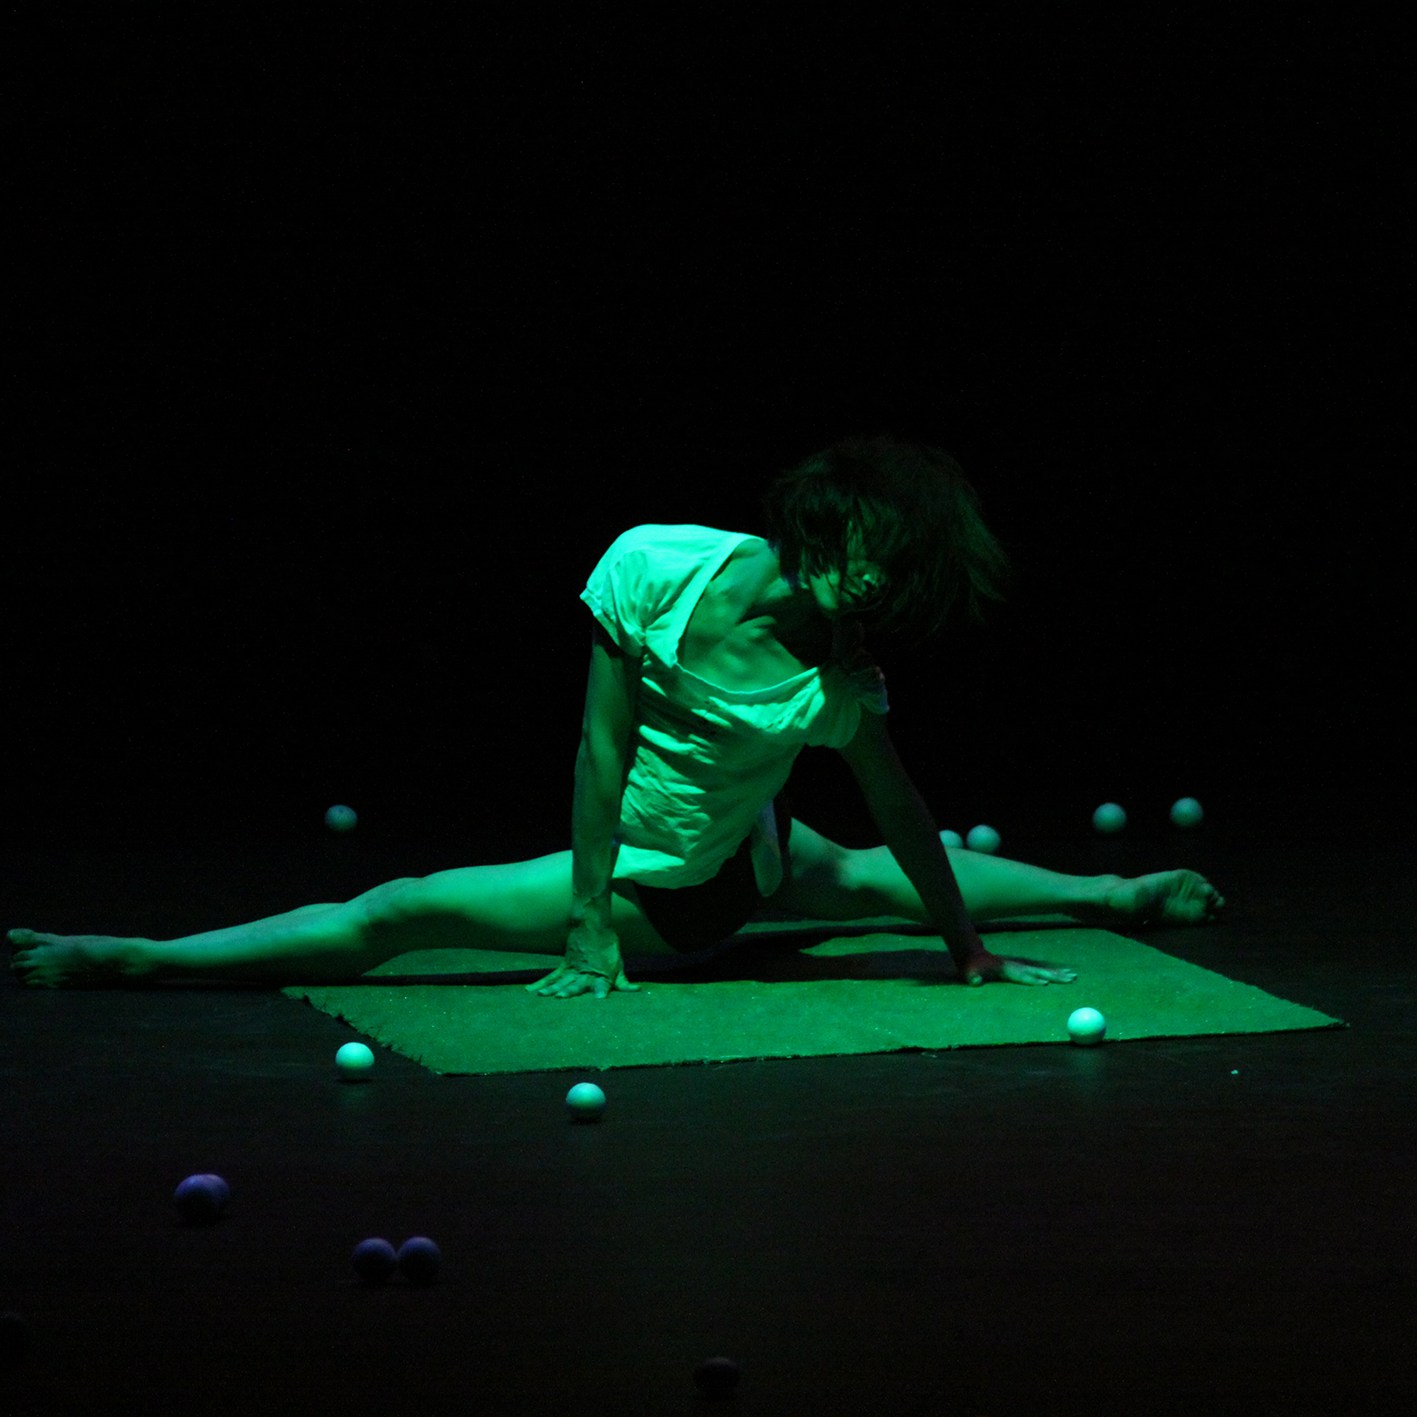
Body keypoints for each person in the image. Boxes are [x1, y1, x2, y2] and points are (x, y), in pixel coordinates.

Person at [8, 436, 1223, 993]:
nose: (871, 588)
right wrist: (582, 916)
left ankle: (136, 958)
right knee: (847, 878)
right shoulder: (653, 564)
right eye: (870, 552)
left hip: (691, 888)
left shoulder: (838, 684)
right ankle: (1115, 893)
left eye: (894, 579)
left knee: (399, 910)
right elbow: (599, 745)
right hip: (709, 852)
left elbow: (902, 808)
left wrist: (964, 950)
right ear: (827, 518)